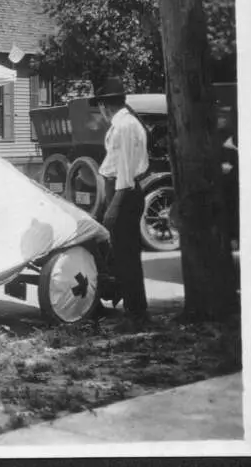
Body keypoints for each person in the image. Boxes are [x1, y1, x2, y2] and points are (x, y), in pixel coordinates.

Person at [91, 77, 150, 322]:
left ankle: (136, 311)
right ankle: (121, 299)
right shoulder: (124, 123)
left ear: (105, 105)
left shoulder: (125, 126)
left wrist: (114, 208)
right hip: (118, 190)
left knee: (125, 255)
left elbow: (125, 173)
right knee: (119, 252)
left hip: (124, 192)